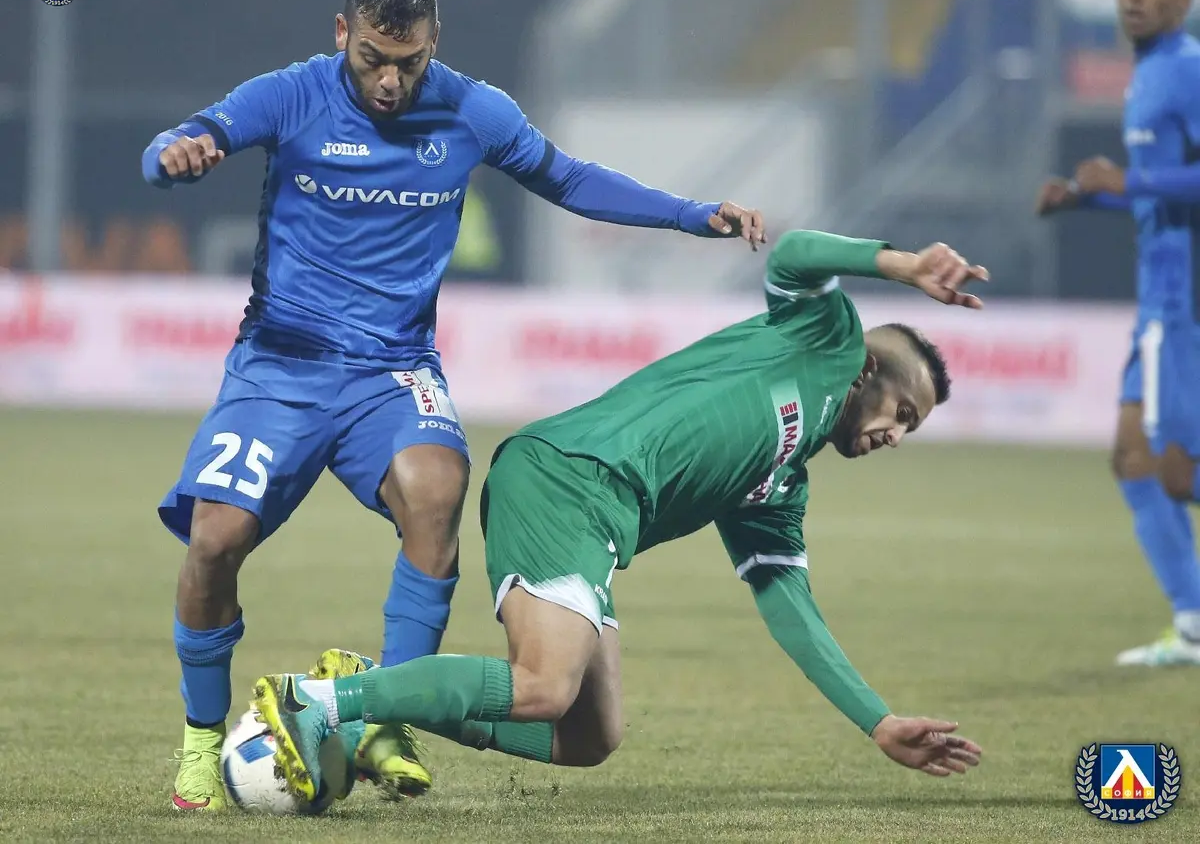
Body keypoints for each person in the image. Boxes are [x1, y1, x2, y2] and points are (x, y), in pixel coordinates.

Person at [141, 0, 765, 811]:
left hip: (393, 371)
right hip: (280, 364)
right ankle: (199, 743)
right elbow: (178, 142)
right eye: (372, 58)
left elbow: (568, 178)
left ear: (435, 44)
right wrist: (175, 156)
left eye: (409, 62)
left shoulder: (475, 110)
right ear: (342, 35)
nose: (389, 80)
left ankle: (381, 720)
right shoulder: (290, 95)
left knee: (436, 494)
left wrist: (693, 215)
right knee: (216, 540)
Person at [246, 228, 988, 803]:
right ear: (869, 370)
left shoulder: (780, 487)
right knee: (544, 685)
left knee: (590, 734)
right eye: (903, 412)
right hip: (572, 478)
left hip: (597, 516)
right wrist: (901, 265)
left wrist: (877, 720)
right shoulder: (826, 341)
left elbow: (792, 609)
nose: (897, 435)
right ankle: (315, 702)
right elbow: (794, 253)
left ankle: (374, 689)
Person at [1035, 0, 1200, 667]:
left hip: (1186, 301)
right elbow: (1162, 200)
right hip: (1159, 300)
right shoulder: (1148, 74)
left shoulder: (1187, 69)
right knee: (1134, 458)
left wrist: (1126, 180)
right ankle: (1193, 626)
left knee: (1176, 470)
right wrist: (1088, 199)